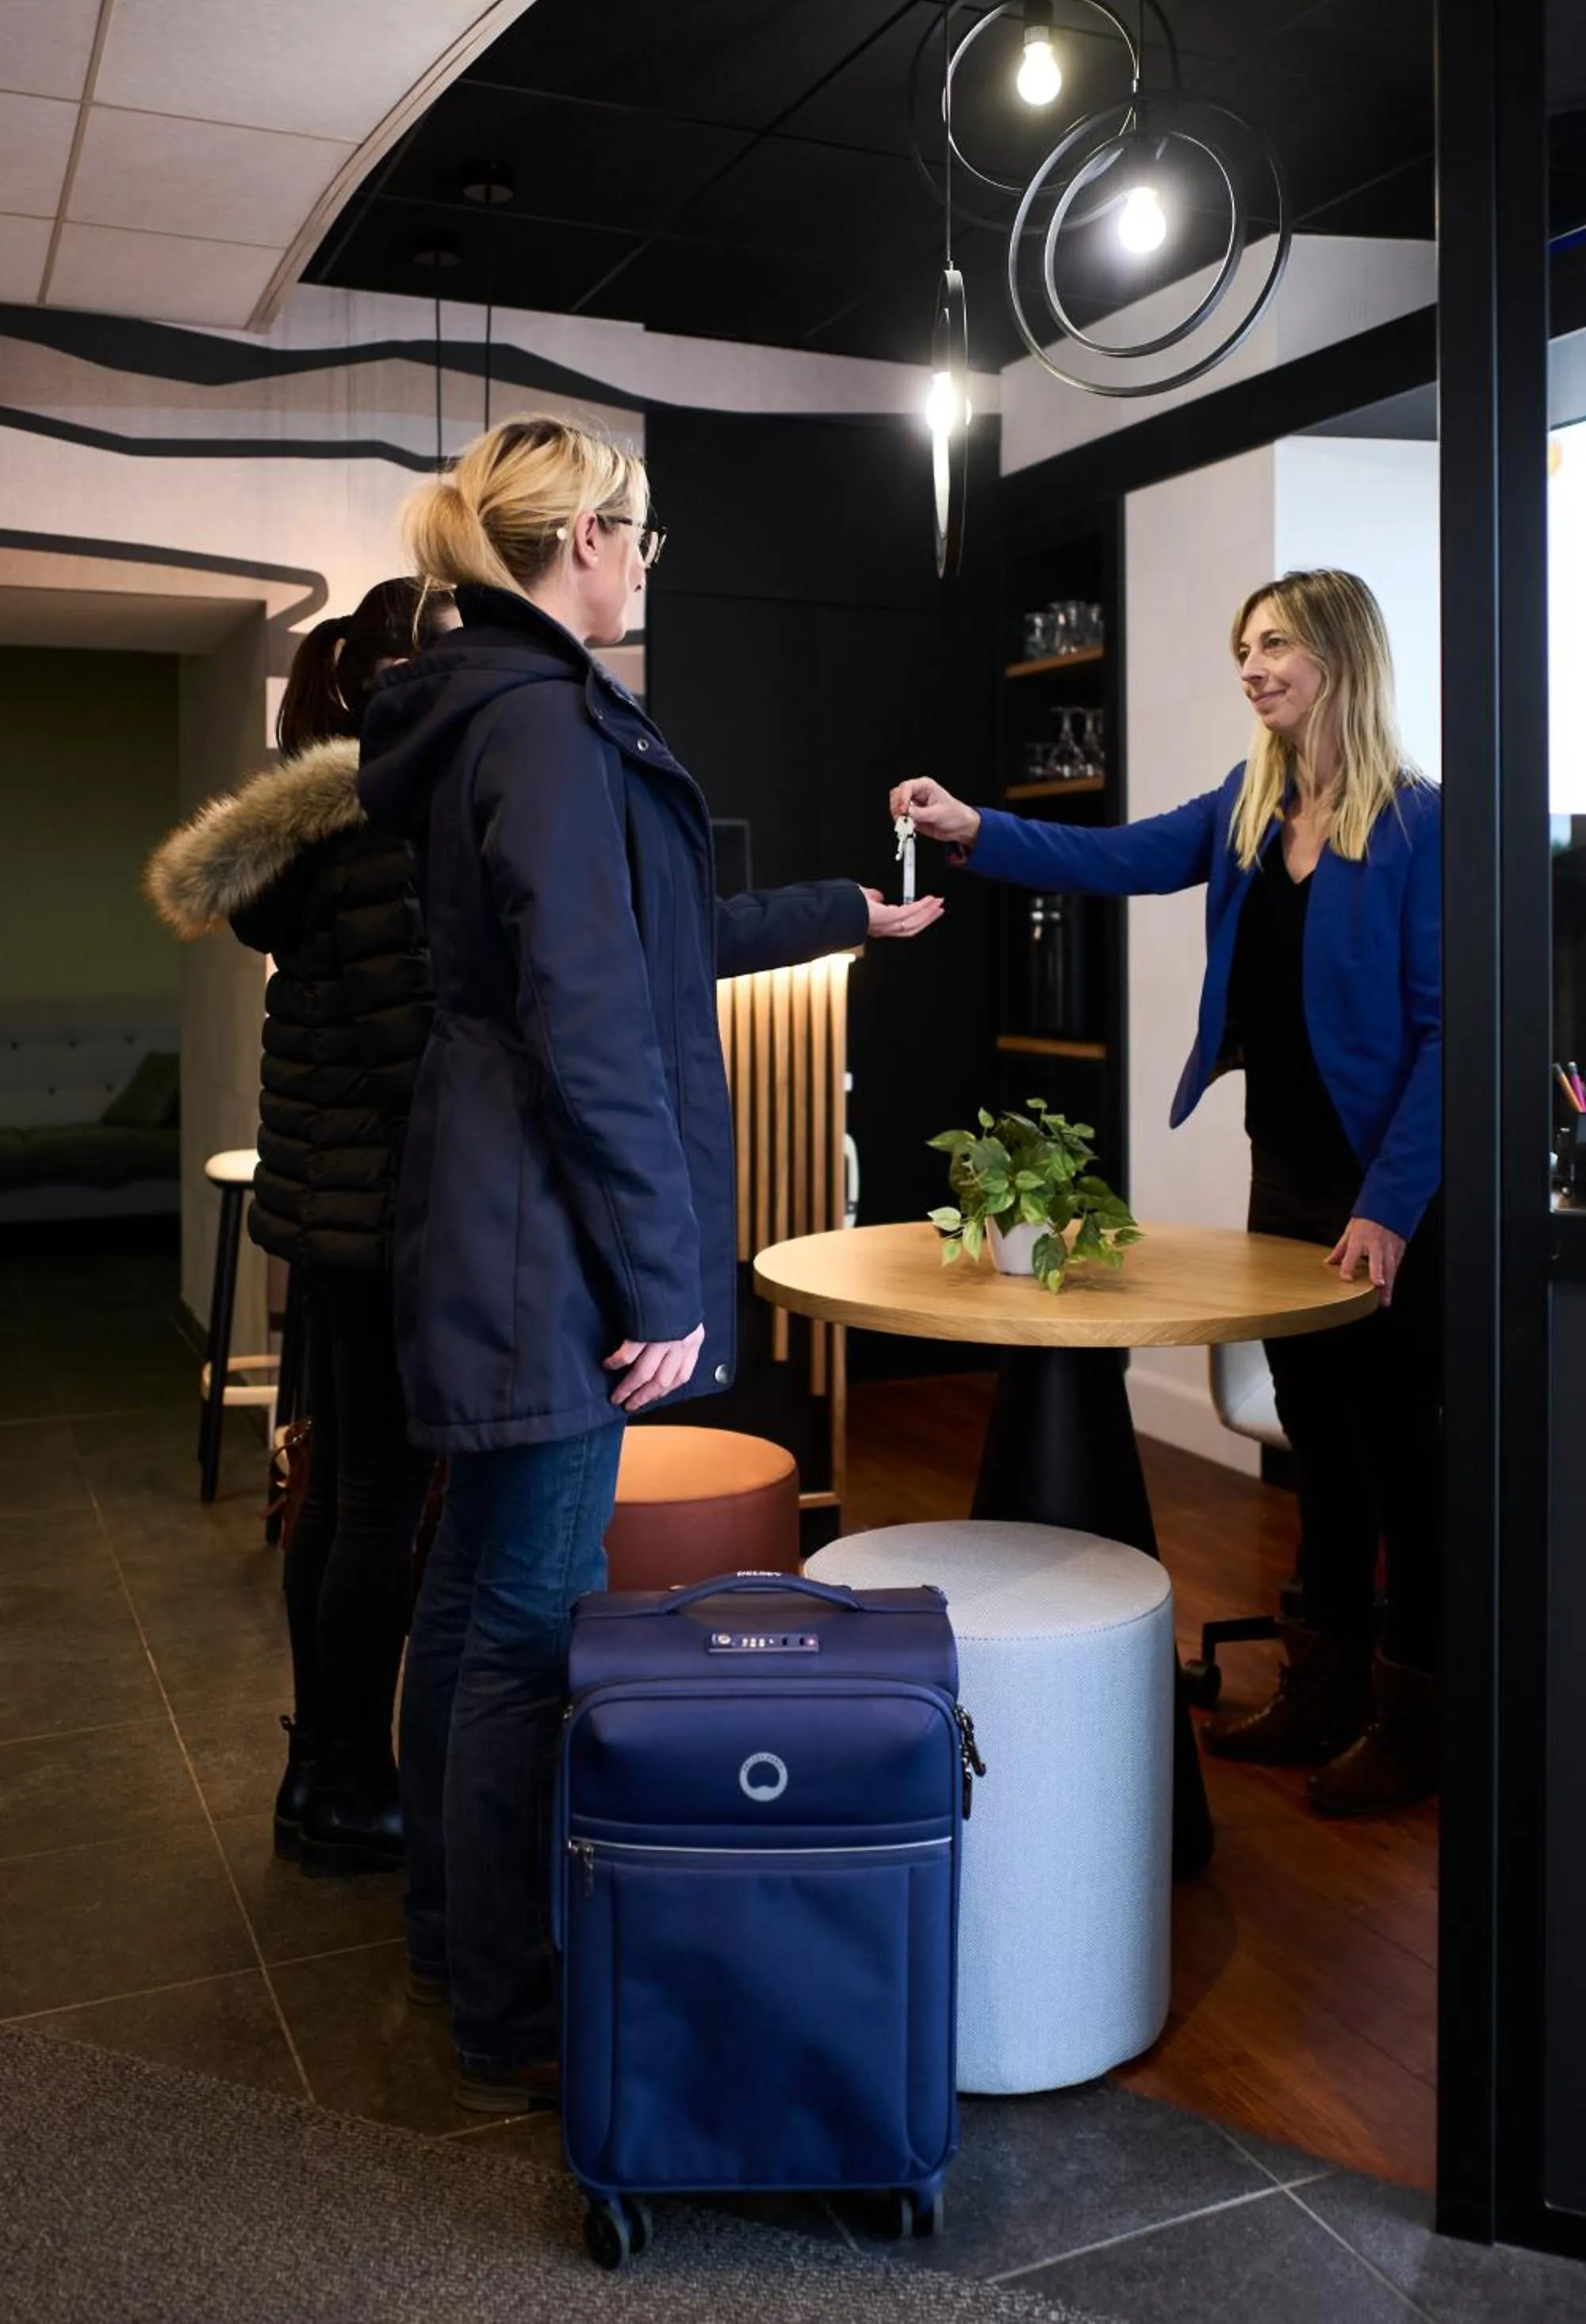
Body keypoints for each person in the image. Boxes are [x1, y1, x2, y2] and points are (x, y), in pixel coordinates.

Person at [357, 412, 944, 2110]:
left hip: (502, 1215)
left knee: (474, 1597)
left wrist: (845, 904)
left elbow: (648, 943)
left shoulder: (493, 707)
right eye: (642, 537)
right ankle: (507, 2002)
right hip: (549, 1237)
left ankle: (443, 1939)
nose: (647, 566)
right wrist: (664, 1280)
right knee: (523, 1624)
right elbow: (595, 1022)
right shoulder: (542, 726)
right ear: (582, 545)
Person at [891, 568, 1442, 1817]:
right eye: (1242, 644)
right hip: (1289, 1175)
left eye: (1277, 644)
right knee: (1323, 1453)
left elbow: (1447, 1036)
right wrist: (975, 826)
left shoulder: (1420, 824)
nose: (1251, 666)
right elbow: (1122, 856)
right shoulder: (1252, 809)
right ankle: (1323, 1684)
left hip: (1388, 1194)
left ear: (1342, 656)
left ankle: (1416, 1718)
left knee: (1401, 1457)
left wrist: (1394, 1208)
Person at [147, 578, 456, 1874]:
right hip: (382, 1216)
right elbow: (410, 1049)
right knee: (374, 1505)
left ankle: (318, 1771)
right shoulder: (387, 826)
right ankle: (347, 1782)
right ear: (406, 673)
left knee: (333, 1496)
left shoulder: (315, 831)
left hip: (322, 1217)